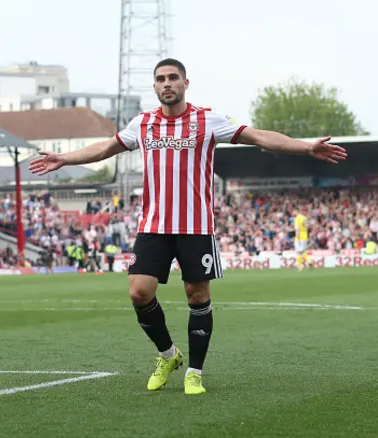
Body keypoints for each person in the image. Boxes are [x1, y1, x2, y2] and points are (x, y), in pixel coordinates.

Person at [29, 58, 347, 395]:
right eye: (161, 79)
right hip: (153, 226)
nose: (167, 83)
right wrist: (65, 158)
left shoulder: (208, 120)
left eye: (173, 78)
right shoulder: (143, 123)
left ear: (185, 83)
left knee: (197, 295)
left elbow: (260, 138)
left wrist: (306, 146)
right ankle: (168, 355)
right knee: (139, 292)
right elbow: (105, 147)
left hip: (195, 226)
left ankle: (194, 372)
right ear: (154, 86)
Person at [294, 207, 314, 271]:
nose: (293, 213)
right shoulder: (305, 218)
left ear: (297, 211)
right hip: (305, 236)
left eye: (294, 211)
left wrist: (297, 237)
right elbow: (307, 227)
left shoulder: (297, 218)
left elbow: (297, 229)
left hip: (300, 237)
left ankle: (300, 266)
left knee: (298, 251)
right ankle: (310, 261)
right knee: (302, 251)